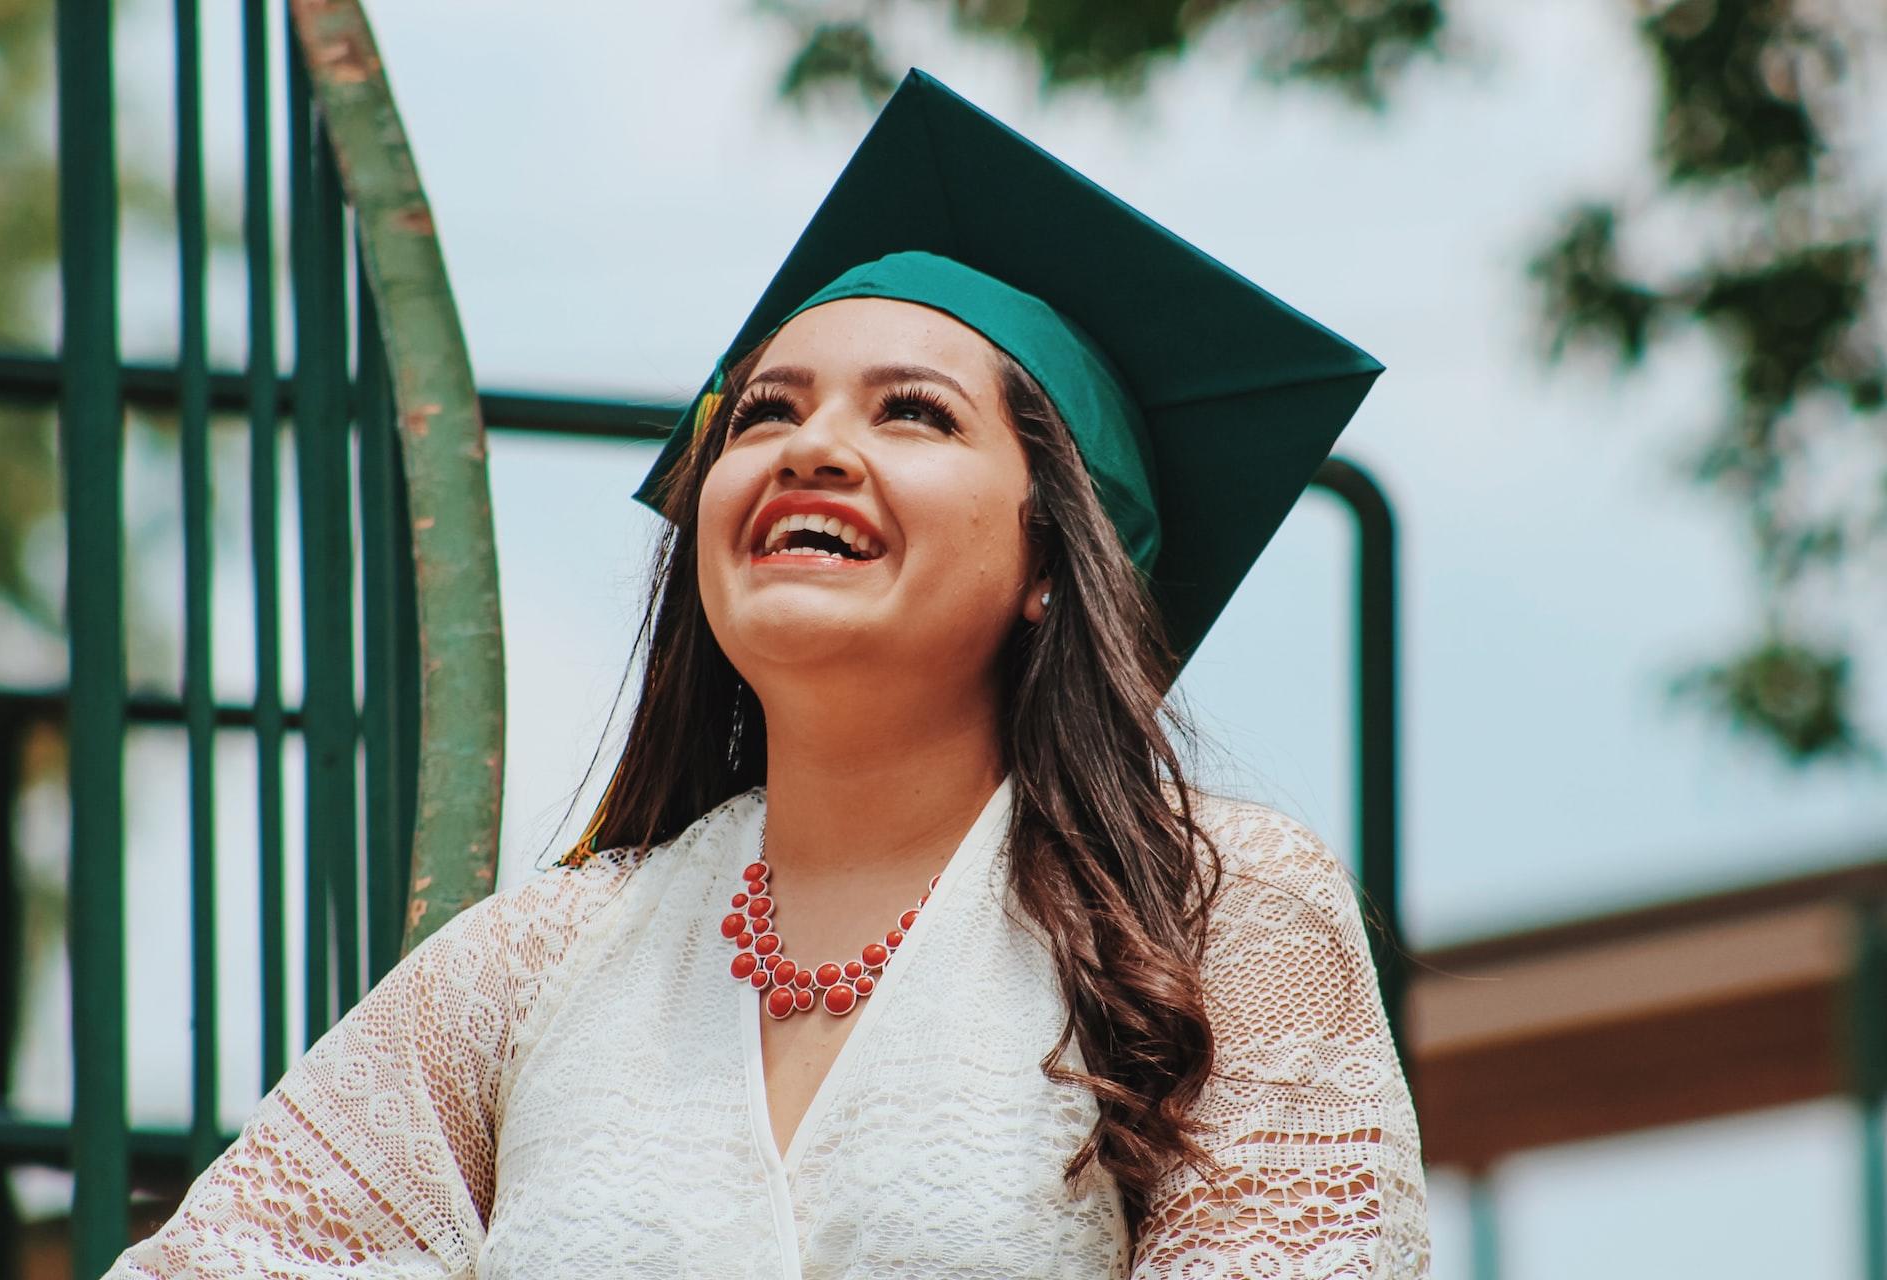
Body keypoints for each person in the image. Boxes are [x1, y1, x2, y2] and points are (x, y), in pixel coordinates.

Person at [109, 70, 1429, 1278]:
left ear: (1051, 559)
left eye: (912, 412)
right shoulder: (539, 962)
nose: (813, 448)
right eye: (764, 413)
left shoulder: (1215, 918)